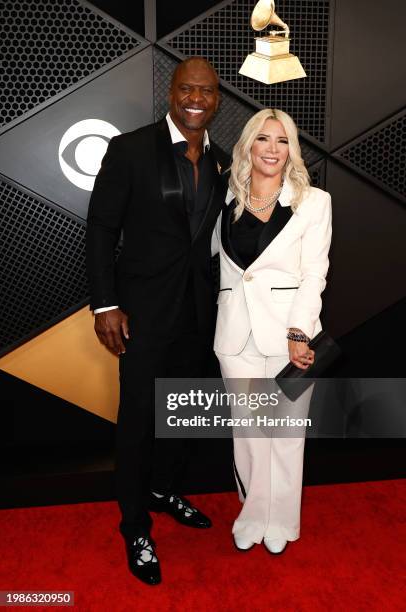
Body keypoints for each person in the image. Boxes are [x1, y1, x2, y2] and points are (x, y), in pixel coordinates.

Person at [86, 57, 229, 586]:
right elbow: (101, 228)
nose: (196, 98)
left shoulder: (221, 159)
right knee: (139, 419)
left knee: (183, 414)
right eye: (187, 88)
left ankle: (165, 490)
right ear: (171, 93)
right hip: (140, 315)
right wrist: (105, 305)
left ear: (217, 100)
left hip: (198, 314)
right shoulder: (129, 149)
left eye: (207, 91)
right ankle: (135, 524)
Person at [212, 108, 332, 554]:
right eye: (263, 139)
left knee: (286, 431)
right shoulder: (225, 197)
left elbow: (315, 273)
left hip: (289, 335)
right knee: (247, 430)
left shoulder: (314, 201)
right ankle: (253, 512)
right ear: (248, 145)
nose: (272, 149)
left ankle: (282, 519)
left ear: (292, 149)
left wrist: (299, 332)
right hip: (235, 334)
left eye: (282, 141)